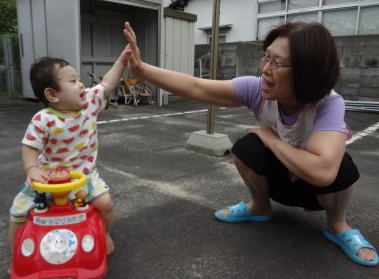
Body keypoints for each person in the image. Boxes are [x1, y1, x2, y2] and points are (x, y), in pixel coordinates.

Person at [122, 21, 378, 266]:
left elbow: (323, 172)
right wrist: (143, 70)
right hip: (280, 181)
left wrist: (270, 138)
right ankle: (259, 206)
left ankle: (338, 225)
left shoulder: (328, 103)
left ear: (307, 71)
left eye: (277, 63)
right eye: (266, 56)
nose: (265, 68)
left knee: (340, 167)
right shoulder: (258, 89)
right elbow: (197, 86)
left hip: (316, 192)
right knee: (246, 148)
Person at [9, 52, 127, 262]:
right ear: (52, 95)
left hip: (84, 175)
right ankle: (17, 254)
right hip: (47, 179)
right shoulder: (43, 119)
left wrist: (122, 61)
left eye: (79, 79)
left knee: (106, 204)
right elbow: (30, 146)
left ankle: (105, 232)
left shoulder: (89, 103)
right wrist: (32, 169)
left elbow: (108, 83)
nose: (81, 84)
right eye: (73, 81)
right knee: (18, 211)